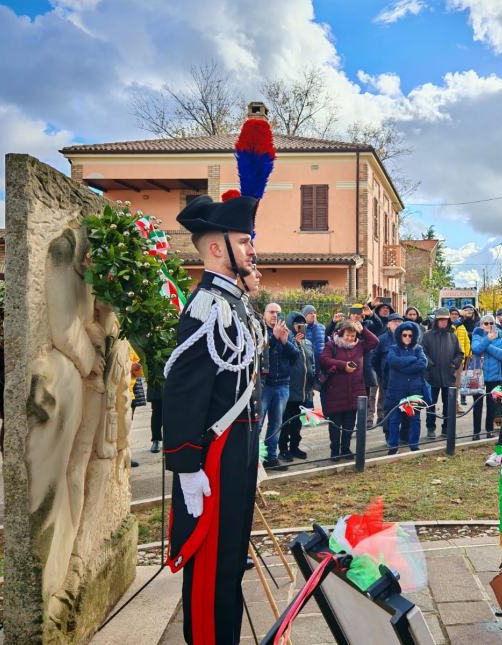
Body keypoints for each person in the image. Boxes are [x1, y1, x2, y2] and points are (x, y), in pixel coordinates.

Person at [163, 114, 272, 644]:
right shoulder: (208, 306)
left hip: (238, 449)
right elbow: (182, 390)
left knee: (231, 560)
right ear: (215, 249)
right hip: (212, 455)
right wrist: (186, 466)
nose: (253, 250)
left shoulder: (233, 302)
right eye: (244, 241)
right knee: (211, 564)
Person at [320, 320, 379, 461]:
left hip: (354, 391)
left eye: (353, 336)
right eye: (347, 335)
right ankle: (335, 450)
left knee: (349, 423)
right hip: (335, 391)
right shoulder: (331, 345)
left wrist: (362, 329)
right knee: (335, 424)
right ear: (341, 333)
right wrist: (343, 365)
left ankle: (346, 449)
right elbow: (324, 360)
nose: (350, 338)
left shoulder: (359, 346)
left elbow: (375, 341)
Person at [260, 302, 299, 470]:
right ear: (264, 314)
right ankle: (252, 458)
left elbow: (295, 356)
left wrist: (284, 341)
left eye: (277, 312)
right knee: (257, 424)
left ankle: (271, 458)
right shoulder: (259, 331)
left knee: (276, 423)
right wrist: (274, 339)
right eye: (271, 312)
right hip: (264, 385)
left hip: (282, 384)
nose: (275, 315)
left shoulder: (285, 332)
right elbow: (261, 353)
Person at [384, 321, 428, 454]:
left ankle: (414, 444)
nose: (408, 337)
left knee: (415, 419)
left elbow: (422, 364)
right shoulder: (394, 348)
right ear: (400, 335)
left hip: (414, 391)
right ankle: (393, 446)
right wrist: (411, 359)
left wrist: (403, 367)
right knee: (394, 420)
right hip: (397, 390)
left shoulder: (418, 349)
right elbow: (393, 362)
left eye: (410, 335)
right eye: (405, 335)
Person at [421, 307, 464, 437]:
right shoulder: (427, 335)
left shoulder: (452, 336)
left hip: (448, 375)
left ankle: (447, 428)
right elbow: (422, 352)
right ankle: (430, 427)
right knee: (431, 404)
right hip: (432, 375)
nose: (443, 322)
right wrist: (431, 364)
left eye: (446, 320)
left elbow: (460, 354)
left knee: (448, 404)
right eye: (441, 320)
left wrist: (453, 364)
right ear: (436, 320)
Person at [279, 312, 315, 462]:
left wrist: (311, 387)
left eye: (302, 324)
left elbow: (311, 364)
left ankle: (295, 447)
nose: (299, 327)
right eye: (296, 324)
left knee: (297, 423)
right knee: (286, 422)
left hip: (304, 390)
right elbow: (288, 360)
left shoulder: (308, 343)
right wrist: (294, 343)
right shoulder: (286, 342)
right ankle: (283, 449)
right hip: (289, 389)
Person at [470, 314, 502, 439]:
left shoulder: (500, 337)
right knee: (478, 405)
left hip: (495, 376)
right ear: (481, 325)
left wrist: (487, 345)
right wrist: (488, 340)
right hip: (479, 375)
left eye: (491, 323)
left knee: (492, 405)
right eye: (486, 323)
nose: (489, 325)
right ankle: (476, 432)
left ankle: (489, 430)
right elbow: (475, 349)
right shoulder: (476, 335)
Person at [301, 304, 327, 371]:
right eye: (310, 313)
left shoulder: (322, 327)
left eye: (314, 313)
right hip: (306, 364)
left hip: (320, 364)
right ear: (304, 315)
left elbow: (326, 343)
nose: (313, 315)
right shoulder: (301, 328)